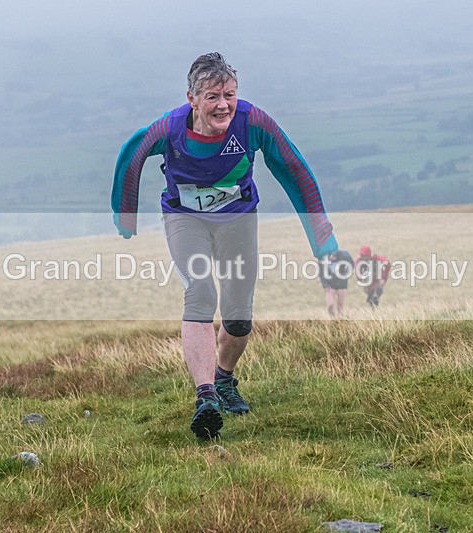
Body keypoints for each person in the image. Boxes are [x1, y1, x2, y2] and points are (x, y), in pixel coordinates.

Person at [111, 52, 339, 439]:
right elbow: (132, 153)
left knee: (238, 317)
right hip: (186, 219)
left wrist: (321, 233)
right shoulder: (170, 128)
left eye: (229, 95)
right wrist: (125, 211)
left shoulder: (252, 121)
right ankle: (206, 398)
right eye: (212, 96)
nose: (223, 105)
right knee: (200, 293)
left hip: (238, 219)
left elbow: (292, 166)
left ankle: (224, 379)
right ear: (192, 99)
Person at [319, 249, 354, 316]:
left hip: (341, 282)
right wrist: (325, 284)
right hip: (330, 282)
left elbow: (351, 263)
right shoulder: (322, 258)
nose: (331, 256)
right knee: (330, 305)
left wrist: (346, 273)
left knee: (340, 304)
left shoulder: (344, 256)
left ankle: (341, 318)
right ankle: (331, 317)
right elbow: (321, 273)